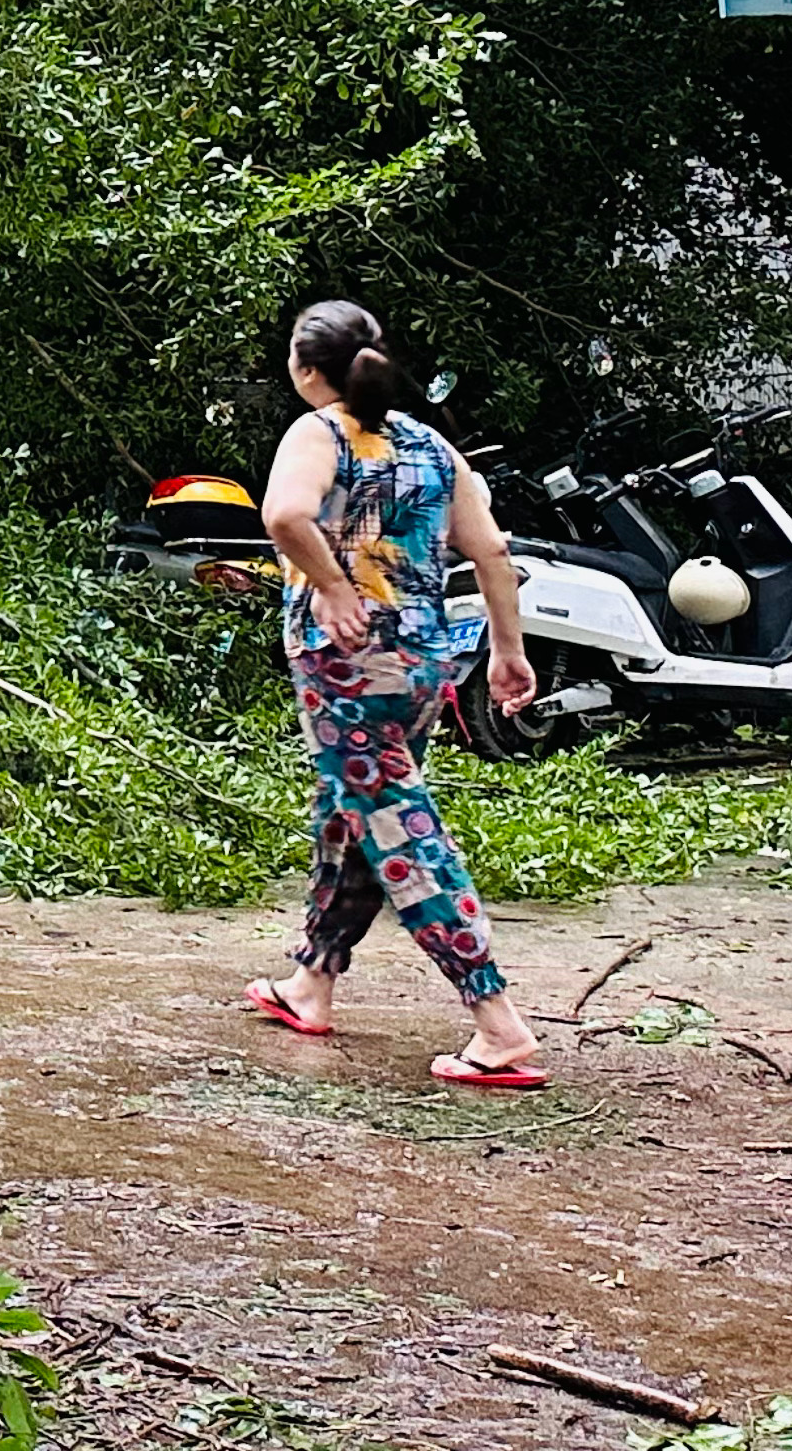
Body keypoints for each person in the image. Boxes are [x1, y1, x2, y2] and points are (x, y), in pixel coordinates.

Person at [246, 298, 546, 1088]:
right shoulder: (432, 445)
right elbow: (492, 554)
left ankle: (497, 1022)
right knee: (353, 815)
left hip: (346, 667)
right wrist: (506, 654)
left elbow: (284, 515)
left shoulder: (320, 433)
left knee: (405, 835)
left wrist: (334, 589)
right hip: (421, 665)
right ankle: (312, 980)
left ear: (307, 369)